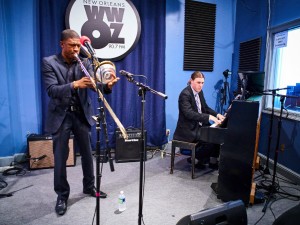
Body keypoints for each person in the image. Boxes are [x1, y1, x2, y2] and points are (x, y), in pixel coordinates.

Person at [42, 29, 119, 216]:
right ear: (62, 44)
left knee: (87, 154)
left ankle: (89, 187)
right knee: (61, 158)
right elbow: (52, 90)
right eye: (72, 45)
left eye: (78, 45)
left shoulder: (84, 62)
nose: (76, 49)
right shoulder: (49, 62)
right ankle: (62, 196)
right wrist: (74, 84)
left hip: (82, 115)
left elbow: (93, 85)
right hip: (61, 116)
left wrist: (106, 86)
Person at [173, 71, 225, 169]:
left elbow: (205, 107)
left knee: (217, 134)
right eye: (198, 82)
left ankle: (212, 161)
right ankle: (196, 158)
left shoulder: (199, 92)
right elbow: (189, 114)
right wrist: (209, 117)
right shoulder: (185, 94)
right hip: (188, 129)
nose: (200, 85)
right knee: (209, 139)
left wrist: (217, 114)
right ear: (191, 81)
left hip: (199, 125)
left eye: (202, 83)